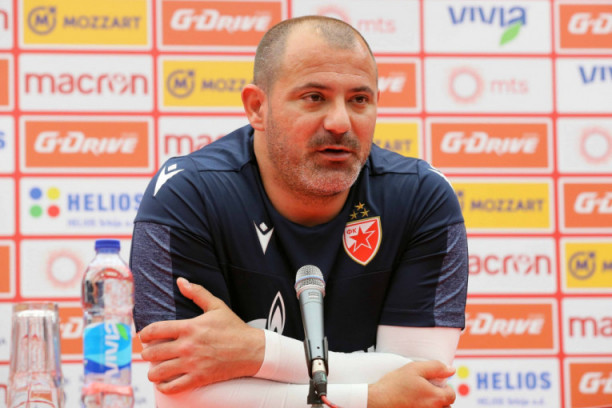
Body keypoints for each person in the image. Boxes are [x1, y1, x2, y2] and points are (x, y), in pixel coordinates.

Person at [130, 15, 468, 408]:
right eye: (314, 97)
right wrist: (371, 398)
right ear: (257, 107)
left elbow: (423, 382)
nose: (340, 122)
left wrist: (258, 352)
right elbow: (184, 398)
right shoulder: (186, 196)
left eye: (359, 99)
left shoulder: (422, 197)